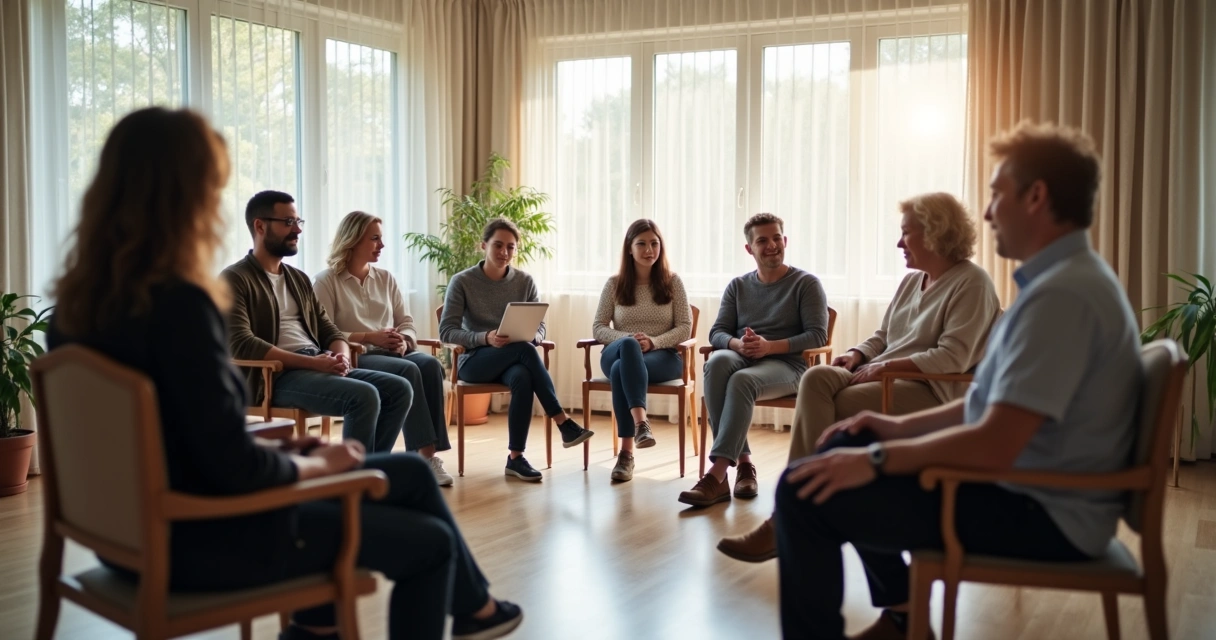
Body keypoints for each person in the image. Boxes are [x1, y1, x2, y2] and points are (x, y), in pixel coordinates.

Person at [46, 107, 523, 640]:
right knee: (429, 542)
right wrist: (319, 467)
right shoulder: (180, 305)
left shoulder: (74, 312)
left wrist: (301, 453)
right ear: (188, 197)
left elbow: (192, 442)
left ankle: (450, 612)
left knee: (408, 473)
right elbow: (233, 467)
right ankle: (475, 609)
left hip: (129, 539)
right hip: (203, 539)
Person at [774, 122, 1142, 640]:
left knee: (802, 492)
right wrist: (885, 429)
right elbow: (988, 404)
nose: (988, 212)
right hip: (1031, 491)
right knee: (853, 437)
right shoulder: (1061, 285)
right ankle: (904, 617)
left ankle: (891, 612)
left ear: (1036, 197)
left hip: (1044, 512)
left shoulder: (1063, 298)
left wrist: (877, 459)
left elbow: (993, 441)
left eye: (997, 195)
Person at [717, 193, 1001, 562]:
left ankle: (788, 517)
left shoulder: (972, 282)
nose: (899, 243)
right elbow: (883, 336)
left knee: (833, 406)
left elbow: (953, 356)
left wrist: (885, 367)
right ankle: (802, 511)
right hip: (881, 376)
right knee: (817, 377)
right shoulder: (912, 282)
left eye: (906, 233)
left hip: (931, 391)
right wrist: (858, 353)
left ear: (935, 233)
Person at [222, 190, 408, 454]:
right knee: (363, 396)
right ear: (260, 226)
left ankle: (368, 472)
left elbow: (328, 328)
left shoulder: (297, 278)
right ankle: (353, 481)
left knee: (399, 389)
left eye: (298, 222)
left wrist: (341, 357)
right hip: (276, 377)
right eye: (288, 222)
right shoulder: (234, 279)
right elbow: (242, 343)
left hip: (316, 364)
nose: (297, 229)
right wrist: (313, 362)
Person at [678, 213, 828, 507]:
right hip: (747, 358)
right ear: (750, 249)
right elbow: (717, 331)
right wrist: (737, 344)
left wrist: (769, 347)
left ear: (785, 241)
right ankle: (744, 464)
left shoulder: (806, 284)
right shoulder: (738, 286)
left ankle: (717, 474)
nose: (771, 245)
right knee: (717, 362)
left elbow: (817, 336)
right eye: (762, 240)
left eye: (776, 238)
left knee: (742, 380)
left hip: (789, 366)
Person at [439, 218, 594, 481]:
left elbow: (541, 326)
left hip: (514, 359)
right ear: (483, 245)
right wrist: (485, 337)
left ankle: (515, 458)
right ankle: (562, 421)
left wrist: (532, 337)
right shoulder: (462, 281)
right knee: (524, 352)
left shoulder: (525, 281)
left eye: (511, 247)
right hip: (475, 361)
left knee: (523, 374)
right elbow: (447, 332)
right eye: (498, 245)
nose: (504, 252)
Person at [314, 211, 453, 486]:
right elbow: (321, 333)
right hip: (357, 355)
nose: (382, 245)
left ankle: (424, 456)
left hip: (393, 352)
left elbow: (407, 322)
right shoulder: (326, 281)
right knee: (410, 369)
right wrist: (369, 337)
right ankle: (425, 458)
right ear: (352, 240)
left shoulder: (386, 278)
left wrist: (405, 340)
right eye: (374, 238)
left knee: (431, 364)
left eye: (381, 238)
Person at [592, 219, 693, 482]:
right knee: (626, 348)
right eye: (642, 244)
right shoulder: (614, 284)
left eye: (654, 243)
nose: (649, 250)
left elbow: (684, 327)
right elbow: (598, 327)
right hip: (620, 350)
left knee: (619, 371)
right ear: (629, 248)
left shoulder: (673, 282)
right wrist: (630, 339)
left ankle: (626, 455)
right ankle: (641, 424)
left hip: (662, 356)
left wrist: (653, 341)